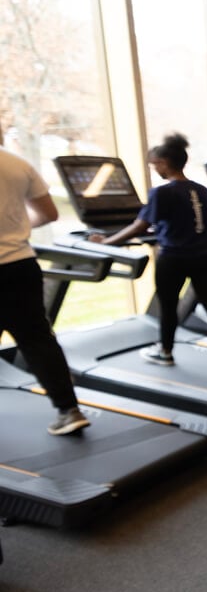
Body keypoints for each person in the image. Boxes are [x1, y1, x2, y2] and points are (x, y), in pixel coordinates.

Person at [91, 134, 207, 374]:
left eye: (154, 165)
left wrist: (106, 242)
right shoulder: (201, 190)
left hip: (174, 258)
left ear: (164, 162)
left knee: (169, 307)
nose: (155, 169)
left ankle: (166, 353)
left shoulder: (161, 193)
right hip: (206, 255)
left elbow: (139, 226)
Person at [0, 136, 91, 435]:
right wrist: (18, 227)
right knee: (37, 339)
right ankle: (69, 409)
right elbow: (49, 214)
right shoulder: (18, 164)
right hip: (20, 264)